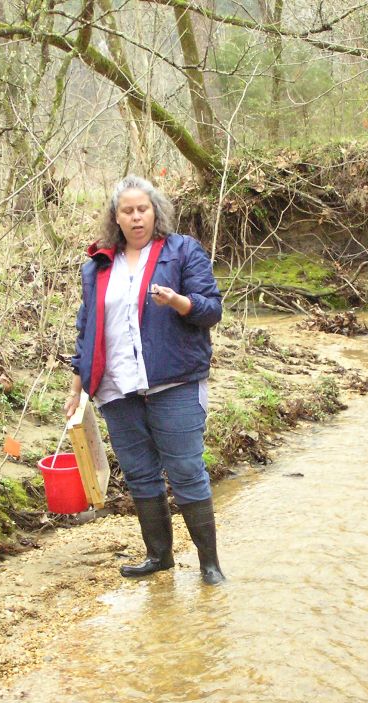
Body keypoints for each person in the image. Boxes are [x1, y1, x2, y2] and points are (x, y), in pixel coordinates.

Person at [65, 175, 225, 585]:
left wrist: (177, 301)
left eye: (143, 209)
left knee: (187, 470)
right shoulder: (97, 265)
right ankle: (159, 557)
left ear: (156, 212)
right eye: (127, 211)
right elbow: (88, 327)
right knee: (139, 474)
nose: (136, 218)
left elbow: (211, 309)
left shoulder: (182, 250)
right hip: (116, 387)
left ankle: (209, 565)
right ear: (115, 218)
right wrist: (78, 386)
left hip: (174, 381)